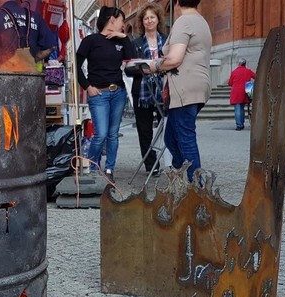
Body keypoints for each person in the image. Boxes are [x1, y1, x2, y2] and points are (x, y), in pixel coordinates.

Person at [144, 0, 211, 182]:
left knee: (184, 137)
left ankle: (196, 188)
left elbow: (174, 58)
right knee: (172, 137)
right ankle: (186, 179)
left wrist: (152, 66)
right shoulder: (201, 21)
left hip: (184, 87)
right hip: (195, 86)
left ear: (177, 3)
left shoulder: (184, 21)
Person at [76, 6, 136, 182]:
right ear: (112, 19)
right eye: (121, 21)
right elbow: (76, 66)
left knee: (113, 134)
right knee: (100, 134)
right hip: (98, 93)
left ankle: (109, 170)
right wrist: (87, 86)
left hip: (118, 92)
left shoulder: (120, 41)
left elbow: (132, 60)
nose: (123, 25)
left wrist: (124, 38)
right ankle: (93, 167)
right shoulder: (90, 40)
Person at [130, 3, 166, 176]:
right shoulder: (135, 43)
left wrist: (159, 67)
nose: (149, 21)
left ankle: (171, 161)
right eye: (146, 18)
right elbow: (128, 68)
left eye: (152, 17)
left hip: (164, 90)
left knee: (168, 127)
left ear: (158, 19)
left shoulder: (167, 41)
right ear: (142, 22)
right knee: (144, 130)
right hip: (142, 92)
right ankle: (152, 164)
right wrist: (142, 69)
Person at [0, 0, 57, 72]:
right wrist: (35, 58)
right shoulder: (35, 16)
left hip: (6, 77)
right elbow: (52, 46)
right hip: (31, 76)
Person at [228, 58, 255, 131]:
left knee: (237, 109)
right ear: (245, 64)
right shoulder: (248, 71)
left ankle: (239, 125)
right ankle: (242, 123)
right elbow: (256, 76)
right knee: (242, 108)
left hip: (236, 91)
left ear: (239, 64)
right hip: (246, 91)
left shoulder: (234, 72)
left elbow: (230, 83)